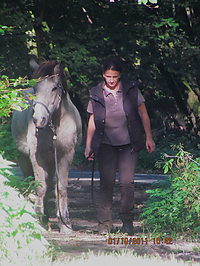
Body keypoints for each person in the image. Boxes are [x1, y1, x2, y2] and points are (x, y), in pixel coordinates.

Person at [84, 58, 155, 235]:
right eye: (108, 76)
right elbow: (92, 120)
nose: (111, 80)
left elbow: (143, 113)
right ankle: (104, 225)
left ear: (120, 75)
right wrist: (88, 145)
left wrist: (149, 137)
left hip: (129, 143)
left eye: (114, 76)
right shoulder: (96, 92)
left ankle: (127, 222)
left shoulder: (131, 89)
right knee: (106, 184)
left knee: (127, 183)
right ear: (103, 75)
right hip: (105, 144)